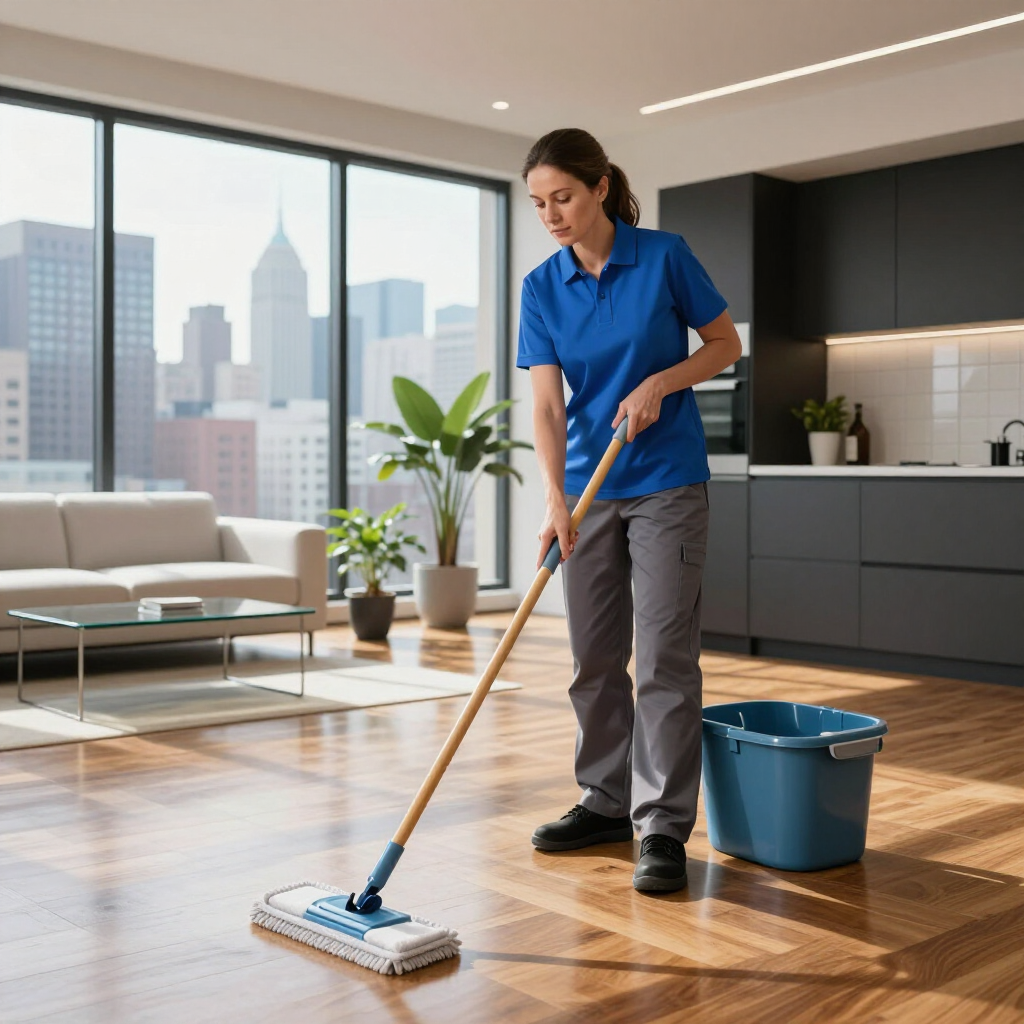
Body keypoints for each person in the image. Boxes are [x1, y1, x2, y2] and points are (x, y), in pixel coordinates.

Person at [517, 128, 742, 892]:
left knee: (664, 658)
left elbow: (724, 344)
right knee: (591, 658)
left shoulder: (665, 256)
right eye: (540, 203)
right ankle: (606, 800)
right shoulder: (542, 287)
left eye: (564, 197)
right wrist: (557, 499)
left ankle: (663, 828)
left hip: (668, 481)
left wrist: (662, 383)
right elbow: (547, 408)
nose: (552, 214)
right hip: (588, 487)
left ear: (601, 187)